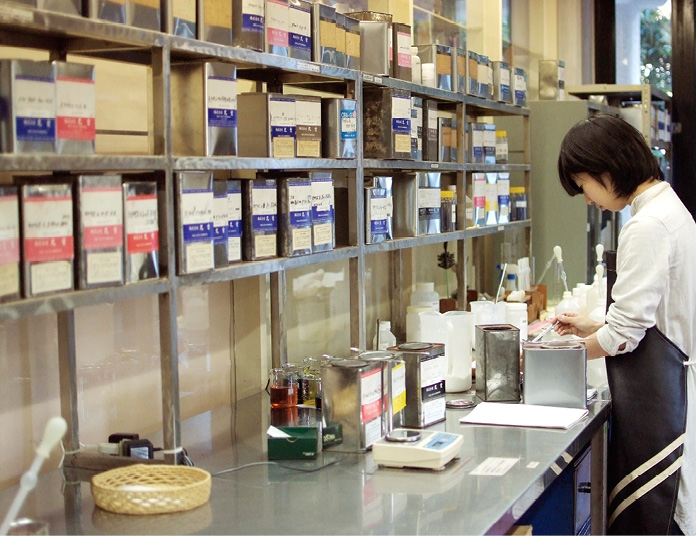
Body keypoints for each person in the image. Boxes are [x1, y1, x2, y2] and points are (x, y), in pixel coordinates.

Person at [550, 114, 696, 535]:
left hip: (665, 410)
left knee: (658, 517)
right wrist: (595, 324)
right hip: (672, 395)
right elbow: (654, 316)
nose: (587, 199)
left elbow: (624, 336)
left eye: (584, 185)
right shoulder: (668, 209)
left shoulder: (647, 226)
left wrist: (551, 356)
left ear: (608, 169)